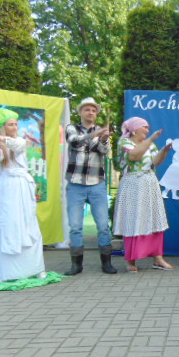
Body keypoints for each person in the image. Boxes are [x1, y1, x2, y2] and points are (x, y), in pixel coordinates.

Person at [0, 108, 47, 281]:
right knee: (9, 223)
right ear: (3, 127)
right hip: (6, 188)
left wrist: (2, 140)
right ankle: (8, 272)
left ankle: (36, 268)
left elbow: (17, 146)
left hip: (22, 187)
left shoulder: (19, 141)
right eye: (10, 124)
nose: (14, 127)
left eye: (15, 124)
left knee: (28, 224)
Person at [64, 97, 118, 276]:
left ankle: (107, 263)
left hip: (97, 184)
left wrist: (104, 140)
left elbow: (105, 152)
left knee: (103, 225)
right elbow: (75, 142)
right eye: (87, 109)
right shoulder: (72, 128)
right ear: (80, 112)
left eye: (94, 110)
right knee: (75, 226)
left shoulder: (101, 131)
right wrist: (95, 135)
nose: (91, 112)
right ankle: (76, 265)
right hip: (75, 184)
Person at [113, 117, 172, 273]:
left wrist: (164, 151)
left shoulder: (150, 145)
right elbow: (133, 156)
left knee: (154, 218)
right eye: (144, 127)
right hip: (132, 184)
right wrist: (152, 138)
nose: (147, 130)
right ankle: (131, 261)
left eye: (148, 127)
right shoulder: (124, 142)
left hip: (149, 183)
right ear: (134, 129)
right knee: (132, 219)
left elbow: (156, 162)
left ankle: (158, 259)